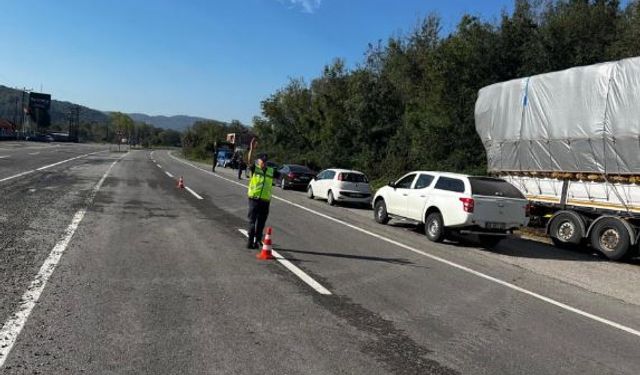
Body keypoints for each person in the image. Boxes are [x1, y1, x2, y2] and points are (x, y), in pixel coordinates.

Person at [245, 138, 280, 249]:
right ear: (258, 161)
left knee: (261, 223)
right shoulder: (255, 168)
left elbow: (280, 175)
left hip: (265, 201)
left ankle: (257, 240)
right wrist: (251, 149)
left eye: (265, 161)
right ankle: (250, 242)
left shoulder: (271, 171)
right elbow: (249, 161)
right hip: (254, 199)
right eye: (262, 161)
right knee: (252, 222)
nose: (264, 163)